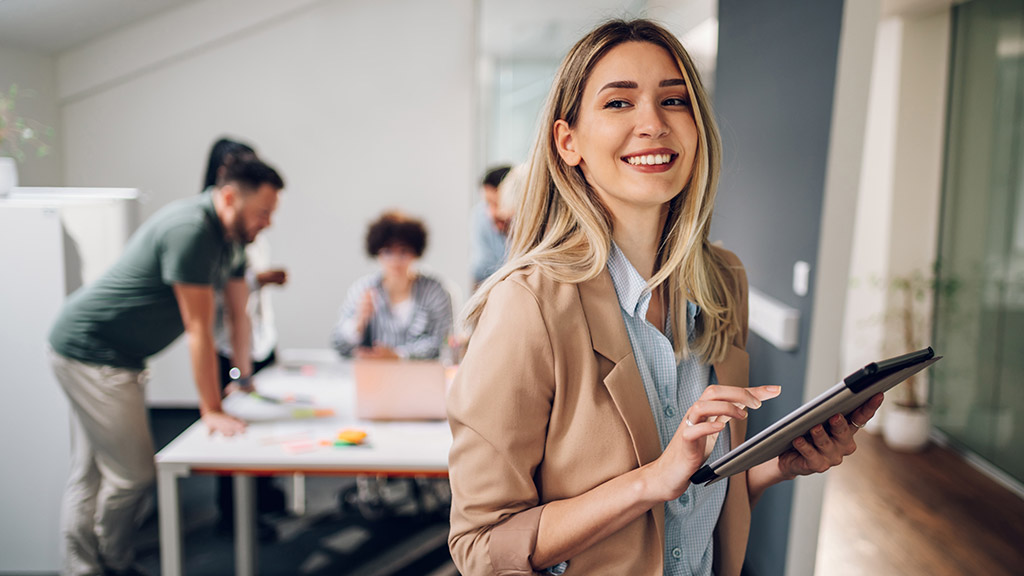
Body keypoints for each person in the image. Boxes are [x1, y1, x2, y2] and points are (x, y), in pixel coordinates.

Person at [446, 19, 883, 576]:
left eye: (673, 99)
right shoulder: (527, 306)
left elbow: (689, 510)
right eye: (619, 103)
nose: (653, 123)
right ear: (568, 141)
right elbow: (482, 546)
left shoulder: (723, 281)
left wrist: (775, 466)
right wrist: (651, 481)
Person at [48, 156, 285, 576]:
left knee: (92, 472)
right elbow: (199, 330)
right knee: (132, 475)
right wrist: (211, 410)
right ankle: (109, 562)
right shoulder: (191, 230)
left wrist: (243, 378)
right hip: (92, 350)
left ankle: (87, 566)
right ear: (229, 197)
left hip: (119, 356)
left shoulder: (231, 239)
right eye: (262, 212)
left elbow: (236, 313)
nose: (267, 222)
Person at [201, 137, 289, 536]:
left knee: (262, 424)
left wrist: (246, 370)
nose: (267, 220)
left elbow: (242, 311)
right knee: (232, 429)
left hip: (254, 341)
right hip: (228, 344)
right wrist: (237, 375)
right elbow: (214, 316)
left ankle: (261, 500)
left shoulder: (243, 234)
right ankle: (234, 517)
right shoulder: (208, 233)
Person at [330, 211, 453, 360]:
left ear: (415, 253)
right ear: (377, 253)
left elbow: (442, 344)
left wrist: (397, 355)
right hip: (374, 377)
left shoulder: (435, 292)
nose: (395, 261)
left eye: (403, 251)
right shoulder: (363, 290)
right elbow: (339, 345)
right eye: (388, 252)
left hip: (421, 377)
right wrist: (358, 323)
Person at [471, 165, 512, 286]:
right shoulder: (480, 216)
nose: (492, 213)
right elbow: (480, 270)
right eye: (488, 203)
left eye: (498, 204)